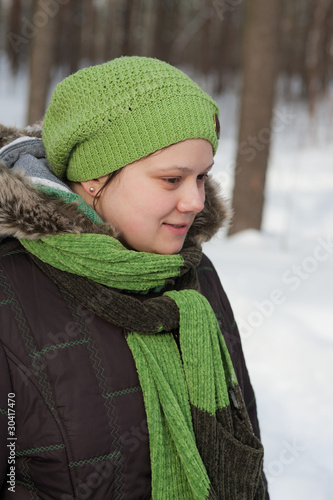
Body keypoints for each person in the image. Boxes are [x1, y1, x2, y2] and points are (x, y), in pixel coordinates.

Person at [0, 56, 268, 499]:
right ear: (93, 179)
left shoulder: (195, 272)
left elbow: (244, 435)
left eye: (202, 176)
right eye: (171, 179)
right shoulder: (11, 291)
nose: (195, 200)